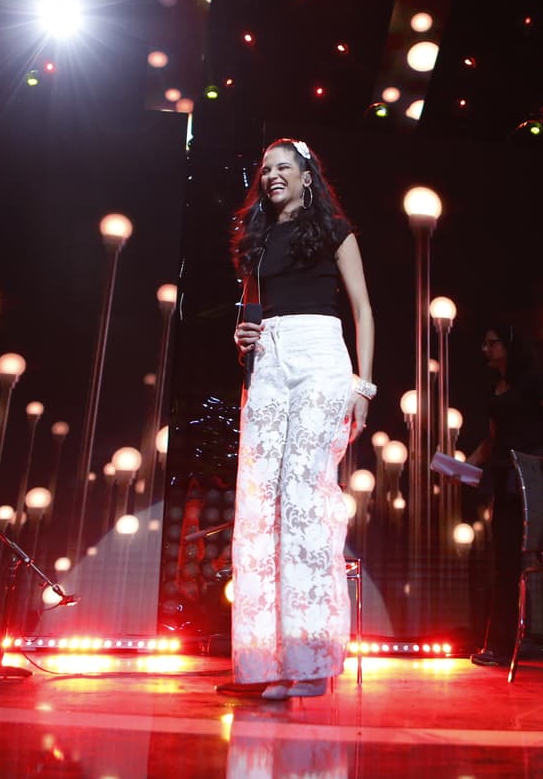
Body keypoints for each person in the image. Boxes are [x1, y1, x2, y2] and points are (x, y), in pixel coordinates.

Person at [230, 138, 374, 700]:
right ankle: (267, 659)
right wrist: (242, 336)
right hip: (269, 360)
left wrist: (363, 386)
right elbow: (251, 309)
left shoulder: (335, 231)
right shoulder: (257, 240)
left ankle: (312, 660)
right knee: (261, 500)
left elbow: (363, 309)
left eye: (283, 167)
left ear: (307, 175)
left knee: (303, 494)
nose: (272, 175)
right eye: (266, 168)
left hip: (320, 357)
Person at [464, 322, 543, 668]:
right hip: (505, 481)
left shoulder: (533, 379)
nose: (485, 349)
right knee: (505, 565)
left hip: (536, 479)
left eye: (491, 342)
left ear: (509, 345)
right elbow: (493, 441)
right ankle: (500, 646)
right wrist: (462, 467)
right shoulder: (494, 388)